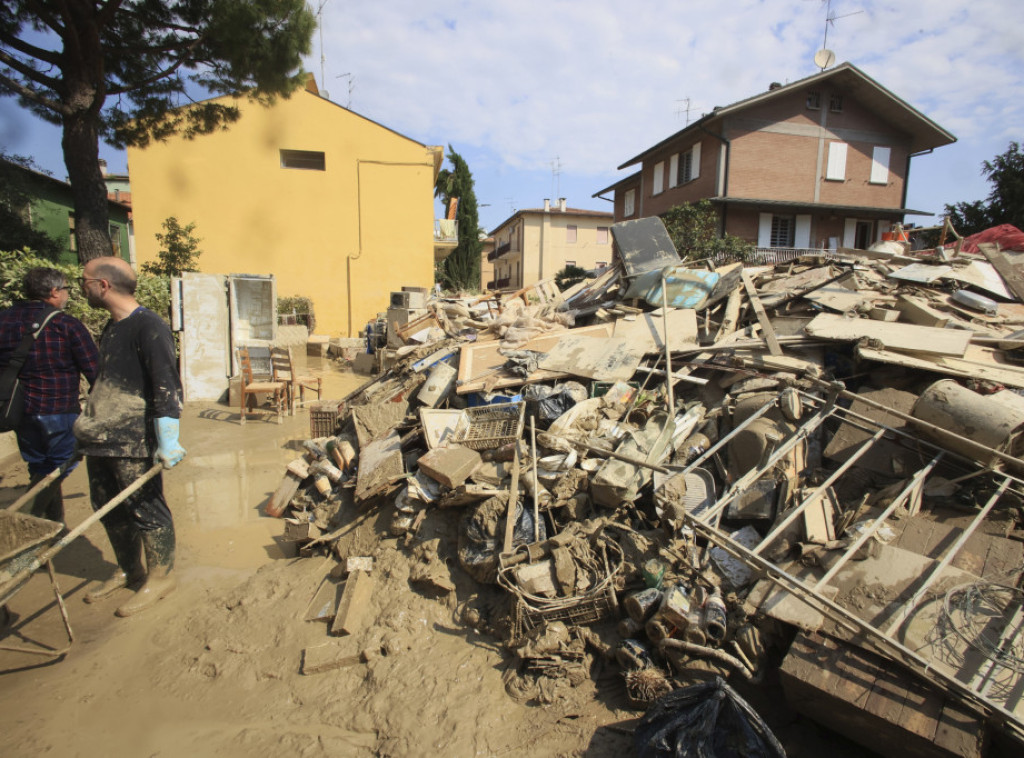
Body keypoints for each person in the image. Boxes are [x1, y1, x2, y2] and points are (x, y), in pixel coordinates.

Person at [73, 256, 186, 617]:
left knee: (145, 508)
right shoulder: (112, 327)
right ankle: (128, 568)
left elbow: (166, 384)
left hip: (133, 439)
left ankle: (162, 575)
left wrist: (168, 439)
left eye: (85, 281)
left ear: (103, 285)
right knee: (106, 505)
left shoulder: (148, 326)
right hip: (102, 436)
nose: (82, 287)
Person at [0, 267, 99, 522]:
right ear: (54, 291)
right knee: (59, 467)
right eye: (66, 288)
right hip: (58, 411)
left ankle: (49, 527)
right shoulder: (65, 325)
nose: (67, 294)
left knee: (39, 467)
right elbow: (96, 372)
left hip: (19, 411)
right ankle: (25, 519)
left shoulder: (4, 320)